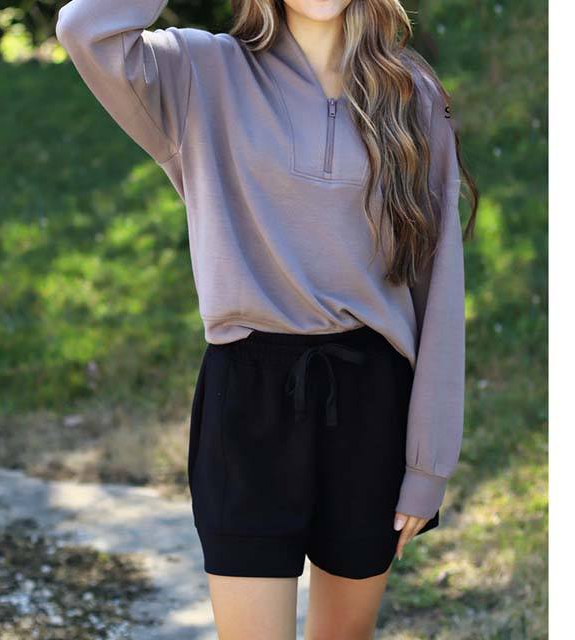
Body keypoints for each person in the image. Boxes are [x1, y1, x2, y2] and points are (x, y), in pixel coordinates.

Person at [56, 0, 479, 637]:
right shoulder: (200, 72)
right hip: (246, 403)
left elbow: (437, 283)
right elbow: (84, 28)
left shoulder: (410, 92)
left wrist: (428, 464)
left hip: (370, 405)